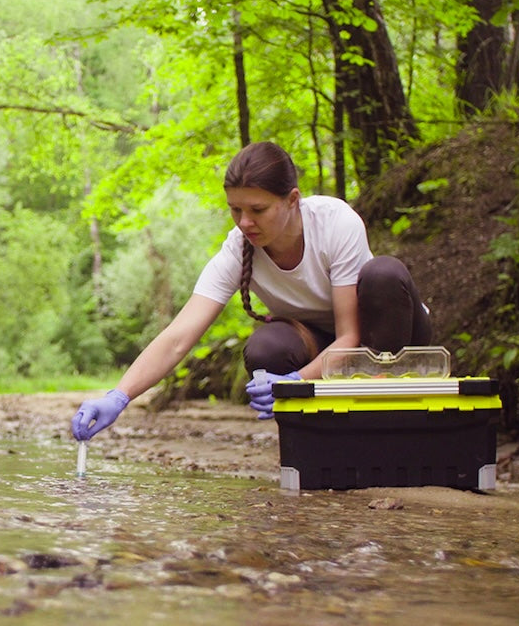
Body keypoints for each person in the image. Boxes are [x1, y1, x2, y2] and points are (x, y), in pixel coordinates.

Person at [71, 141, 432, 440]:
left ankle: (394, 429)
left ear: (293, 200)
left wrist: (293, 383)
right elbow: (178, 337)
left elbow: (351, 337)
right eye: (235, 210)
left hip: (385, 337)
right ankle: (320, 443)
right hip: (322, 345)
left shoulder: (335, 223)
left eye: (258, 209)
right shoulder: (238, 248)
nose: (245, 222)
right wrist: (119, 396)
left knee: (384, 273)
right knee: (266, 347)